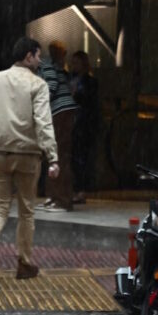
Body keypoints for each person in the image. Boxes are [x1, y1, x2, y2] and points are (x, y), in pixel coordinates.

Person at [0, 37, 59, 283]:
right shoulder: (38, 85)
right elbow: (43, 122)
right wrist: (52, 156)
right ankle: (24, 262)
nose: (40, 60)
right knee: (26, 211)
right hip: (28, 156)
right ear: (28, 57)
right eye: (37, 55)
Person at [36, 40, 78, 212]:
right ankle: (55, 197)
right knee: (56, 155)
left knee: (57, 155)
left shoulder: (45, 64)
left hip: (59, 112)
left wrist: (40, 103)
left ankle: (61, 199)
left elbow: (52, 85)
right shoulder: (56, 66)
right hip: (63, 111)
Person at [69, 51, 99, 204]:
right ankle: (75, 188)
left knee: (82, 157)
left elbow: (90, 103)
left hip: (83, 123)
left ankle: (81, 189)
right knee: (74, 157)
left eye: (77, 63)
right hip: (73, 123)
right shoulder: (71, 79)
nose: (74, 66)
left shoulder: (90, 82)